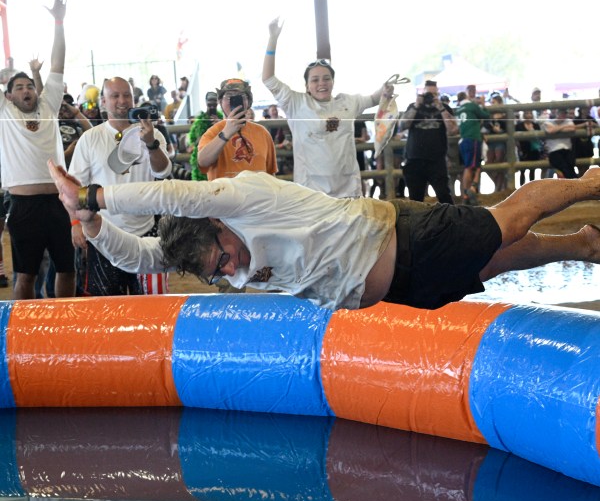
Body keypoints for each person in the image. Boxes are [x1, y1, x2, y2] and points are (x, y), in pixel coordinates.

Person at [50, 159, 600, 313]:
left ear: (218, 226)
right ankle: (583, 245)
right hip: (402, 286)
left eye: (222, 258)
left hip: (407, 238)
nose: (228, 269)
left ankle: (589, 181)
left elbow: (175, 196)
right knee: (494, 264)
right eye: (217, 272)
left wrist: (95, 199)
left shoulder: (240, 198)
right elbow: (136, 256)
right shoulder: (202, 251)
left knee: (506, 221)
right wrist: (93, 227)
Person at [263, 17, 392, 198]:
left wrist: (385, 90)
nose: (321, 83)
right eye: (314, 80)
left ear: (333, 81)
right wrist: (273, 38)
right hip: (311, 191)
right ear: (307, 85)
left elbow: (373, 98)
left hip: (348, 189)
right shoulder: (296, 103)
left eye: (326, 78)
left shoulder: (348, 102)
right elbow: (268, 79)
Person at [0, 0, 75, 300]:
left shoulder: (48, 105)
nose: (26, 89)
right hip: (23, 206)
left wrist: (58, 23)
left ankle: (66, 326)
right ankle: (24, 336)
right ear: (9, 96)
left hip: (59, 203)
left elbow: (57, 63)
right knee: (26, 275)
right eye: (19, 87)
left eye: (29, 84)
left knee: (67, 269)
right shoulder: (5, 113)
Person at [68, 76, 172, 296]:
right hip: (103, 233)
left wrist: (151, 144)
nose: (122, 101)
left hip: (146, 234)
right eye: (114, 96)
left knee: (150, 307)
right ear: (103, 102)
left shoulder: (153, 134)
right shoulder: (90, 138)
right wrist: (76, 223)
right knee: (105, 307)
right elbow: (75, 185)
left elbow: (163, 172)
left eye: (127, 95)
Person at [196, 78, 277, 181]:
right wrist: (226, 133)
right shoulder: (212, 133)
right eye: (228, 96)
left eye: (241, 96)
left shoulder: (262, 133)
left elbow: (271, 174)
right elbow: (202, 162)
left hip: (258, 195)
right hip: (225, 195)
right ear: (220, 101)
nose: (233, 100)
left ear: (248, 101)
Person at [399, 80, 456, 204]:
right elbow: (403, 125)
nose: (430, 97)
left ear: (438, 94)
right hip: (414, 159)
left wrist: (440, 107)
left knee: (444, 195)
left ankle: (450, 222)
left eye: (434, 94)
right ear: (422, 94)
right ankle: (418, 223)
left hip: (437, 159)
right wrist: (416, 105)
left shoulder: (444, 108)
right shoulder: (413, 107)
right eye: (428, 94)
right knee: (415, 199)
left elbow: (452, 130)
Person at [455, 89, 490, 205]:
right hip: (473, 138)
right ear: (466, 97)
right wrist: (483, 104)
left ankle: (468, 192)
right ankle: (469, 191)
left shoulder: (458, 110)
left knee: (470, 166)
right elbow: (485, 115)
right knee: (472, 166)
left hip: (463, 139)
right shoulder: (471, 106)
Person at [187, 91, 223, 181]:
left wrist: (220, 124)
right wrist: (199, 140)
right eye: (209, 104)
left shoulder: (222, 119)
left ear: (217, 103)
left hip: (219, 157)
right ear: (206, 103)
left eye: (214, 105)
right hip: (201, 156)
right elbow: (192, 142)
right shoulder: (199, 120)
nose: (212, 107)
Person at [542, 107, 578, 178]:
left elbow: (572, 128)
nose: (563, 115)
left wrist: (557, 129)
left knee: (570, 166)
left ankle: (574, 183)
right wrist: (564, 127)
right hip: (554, 151)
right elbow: (550, 131)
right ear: (557, 113)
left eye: (564, 113)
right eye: (561, 113)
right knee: (565, 168)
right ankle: (575, 182)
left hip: (567, 150)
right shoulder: (548, 121)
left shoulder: (568, 121)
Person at [483, 93, 508, 192]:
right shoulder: (489, 115)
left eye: (493, 102)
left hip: (501, 142)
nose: (491, 104)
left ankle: (499, 188)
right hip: (491, 142)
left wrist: (499, 131)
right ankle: (498, 185)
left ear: (499, 102)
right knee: (488, 164)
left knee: (499, 162)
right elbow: (485, 126)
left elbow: (508, 129)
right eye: (491, 102)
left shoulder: (505, 115)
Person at [515, 109, 543, 185]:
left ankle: (531, 187)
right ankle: (520, 188)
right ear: (524, 115)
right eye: (527, 113)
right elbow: (515, 139)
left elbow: (540, 137)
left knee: (532, 171)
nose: (529, 115)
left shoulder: (536, 125)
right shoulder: (518, 125)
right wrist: (518, 148)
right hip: (523, 150)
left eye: (530, 113)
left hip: (534, 150)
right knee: (522, 171)